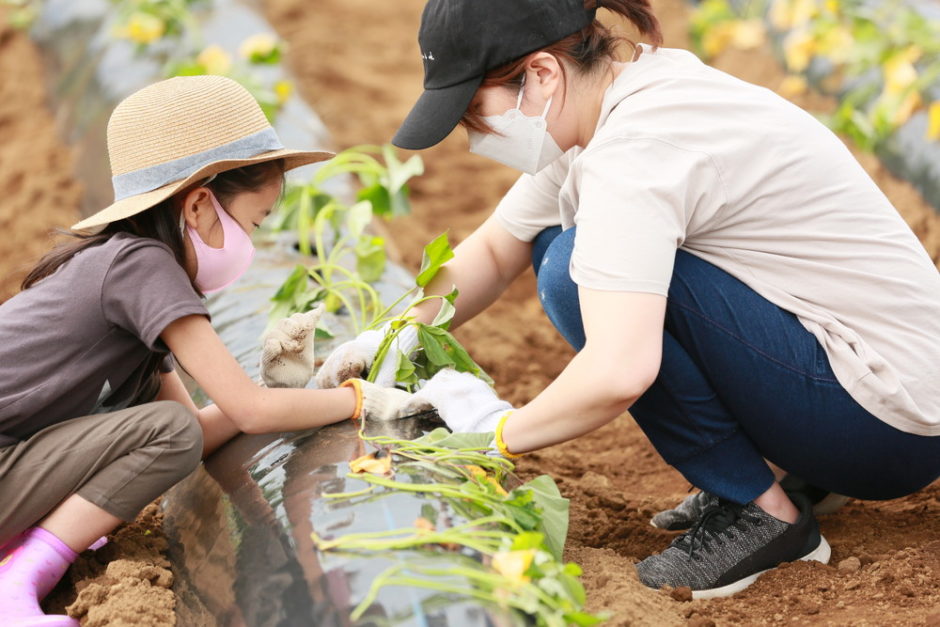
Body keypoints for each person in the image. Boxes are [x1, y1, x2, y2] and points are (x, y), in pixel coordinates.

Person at [316, 0, 940, 599]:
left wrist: (492, 432)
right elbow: (495, 249)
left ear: (539, 75)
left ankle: (763, 515)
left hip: (886, 424)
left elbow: (620, 370)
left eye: (474, 113)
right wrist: (388, 333)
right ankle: (797, 475)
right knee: (559, 249)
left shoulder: (638, 150)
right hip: (884, 390)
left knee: (569, 271)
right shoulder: (622, 98)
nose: (474, 137)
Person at [0, 75, 408, 626]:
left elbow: (197, 427)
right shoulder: (145, 268)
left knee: (168, 424)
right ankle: (19, 577)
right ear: (197, 205)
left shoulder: (124, 268)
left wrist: (298, 394)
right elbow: (228, 418)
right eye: (253, 223)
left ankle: (29, 538)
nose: (253, 243)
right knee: (165, 429)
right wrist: (365, 400)